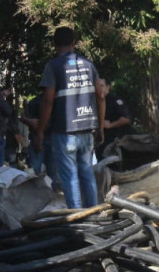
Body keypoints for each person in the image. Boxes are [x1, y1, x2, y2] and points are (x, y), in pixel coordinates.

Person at [35, 27, 106, 209]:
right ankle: (93, 213)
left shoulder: (53, 67)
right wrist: (100, 127)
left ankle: (77, 218)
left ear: (54, 45)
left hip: (65, 132)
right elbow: (100, 96)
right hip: (87, 129)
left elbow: (48, 101)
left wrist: (40, 131)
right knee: (87, 173)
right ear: (73, 44)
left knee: (70, 176)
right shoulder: (89, 65)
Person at [99, 77, 135, 147]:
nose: (99, 88)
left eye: (102, 86)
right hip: (102, 141)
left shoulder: (114, 100)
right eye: (97, 86)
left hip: (117, 140)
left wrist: (110, 125)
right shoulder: (95, 102)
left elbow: (126, 119)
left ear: (108, 87)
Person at [19, 95, 50, 176]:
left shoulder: (56, 100)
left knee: (50, 173)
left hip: (48, 138)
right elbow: (22, 117)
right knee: (35, 172)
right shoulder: (34, 101)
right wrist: (30, 121)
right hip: (36, 140)